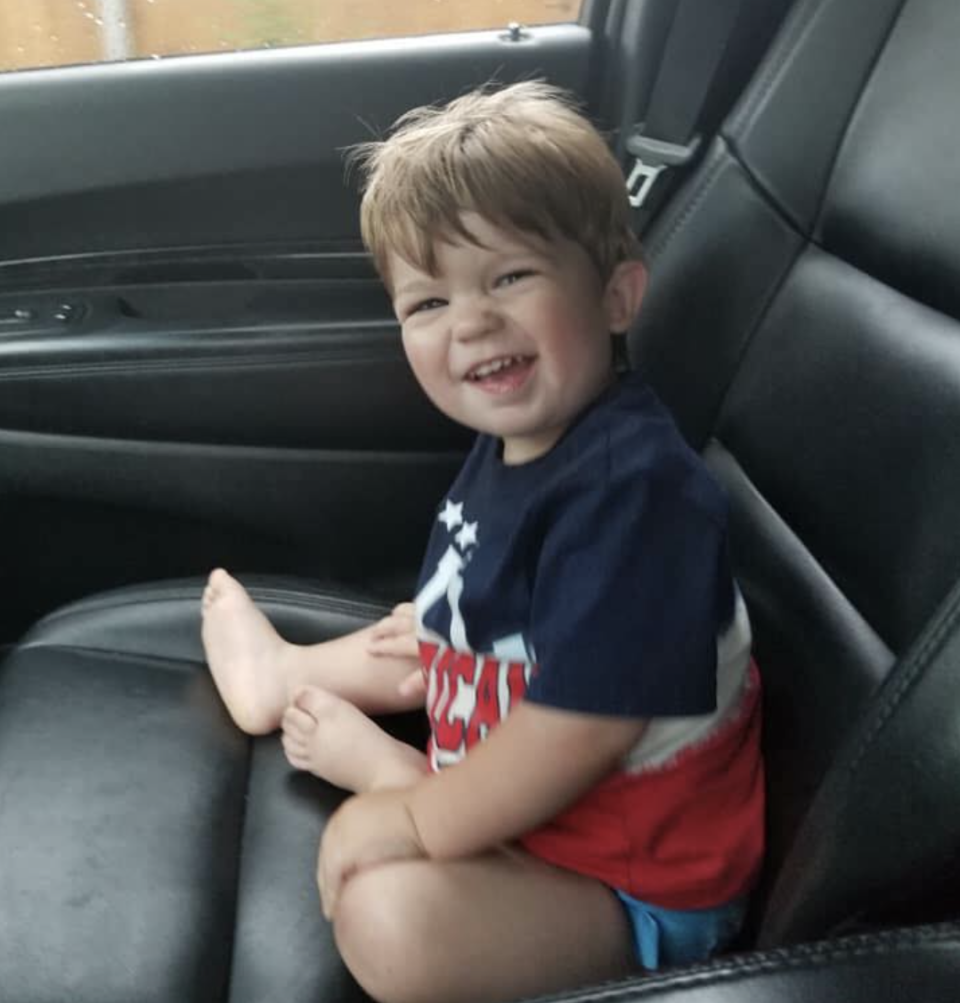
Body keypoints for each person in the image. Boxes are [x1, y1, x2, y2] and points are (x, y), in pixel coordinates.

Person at [201, 81, 764, 1003]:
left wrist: (411, 819)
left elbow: (576, 733)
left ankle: (402, 769)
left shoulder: (637, 499)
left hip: (626, 883)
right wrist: (443, 628)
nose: (470, 321)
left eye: (509, 278)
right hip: (532, 759)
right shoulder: (530, 439)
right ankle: (283, 676)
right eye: (427, 304)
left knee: (387, 920)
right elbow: (496, 595)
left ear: (618, 296)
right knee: (416, 632)